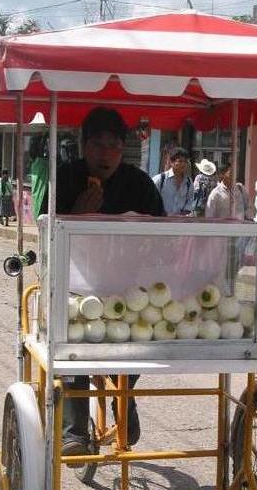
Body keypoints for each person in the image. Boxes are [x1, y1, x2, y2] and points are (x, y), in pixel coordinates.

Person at [40, 106, 165, 459]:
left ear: (123, 149)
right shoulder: (63, 178)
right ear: (83, 145)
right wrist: (76, 214)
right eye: (98, 144)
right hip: (73, 286)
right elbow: (45, 229)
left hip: (126, 287)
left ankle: (124, 398)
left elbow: (162, 234)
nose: (105, 153)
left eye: (114, 145)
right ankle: (73, 427)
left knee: (142, 338)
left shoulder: (139, 184)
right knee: (73, 348)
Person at [152, 147, 193, 215]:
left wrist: (181, 215)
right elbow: (151, 201)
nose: (183, 164)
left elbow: (189, 202)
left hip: (180, 223)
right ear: (171, 162)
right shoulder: (159, 180)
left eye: (185, 162)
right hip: (160, 221)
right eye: (180, 161)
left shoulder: (188, 182)